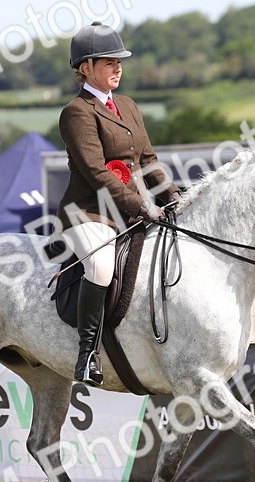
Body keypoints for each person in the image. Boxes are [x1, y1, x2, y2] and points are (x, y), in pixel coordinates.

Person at [56, 21, 179, 386]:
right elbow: (96, 172)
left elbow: (148, 161)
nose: (118, 68)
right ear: (86, 68)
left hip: (127, 209)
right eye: (109, 62)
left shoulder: (127, 105)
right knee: (99, 265)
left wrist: (172, 197)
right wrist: (142, 206)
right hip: (88, 212)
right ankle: (87, 354)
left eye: (119, 61)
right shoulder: (77, 112)